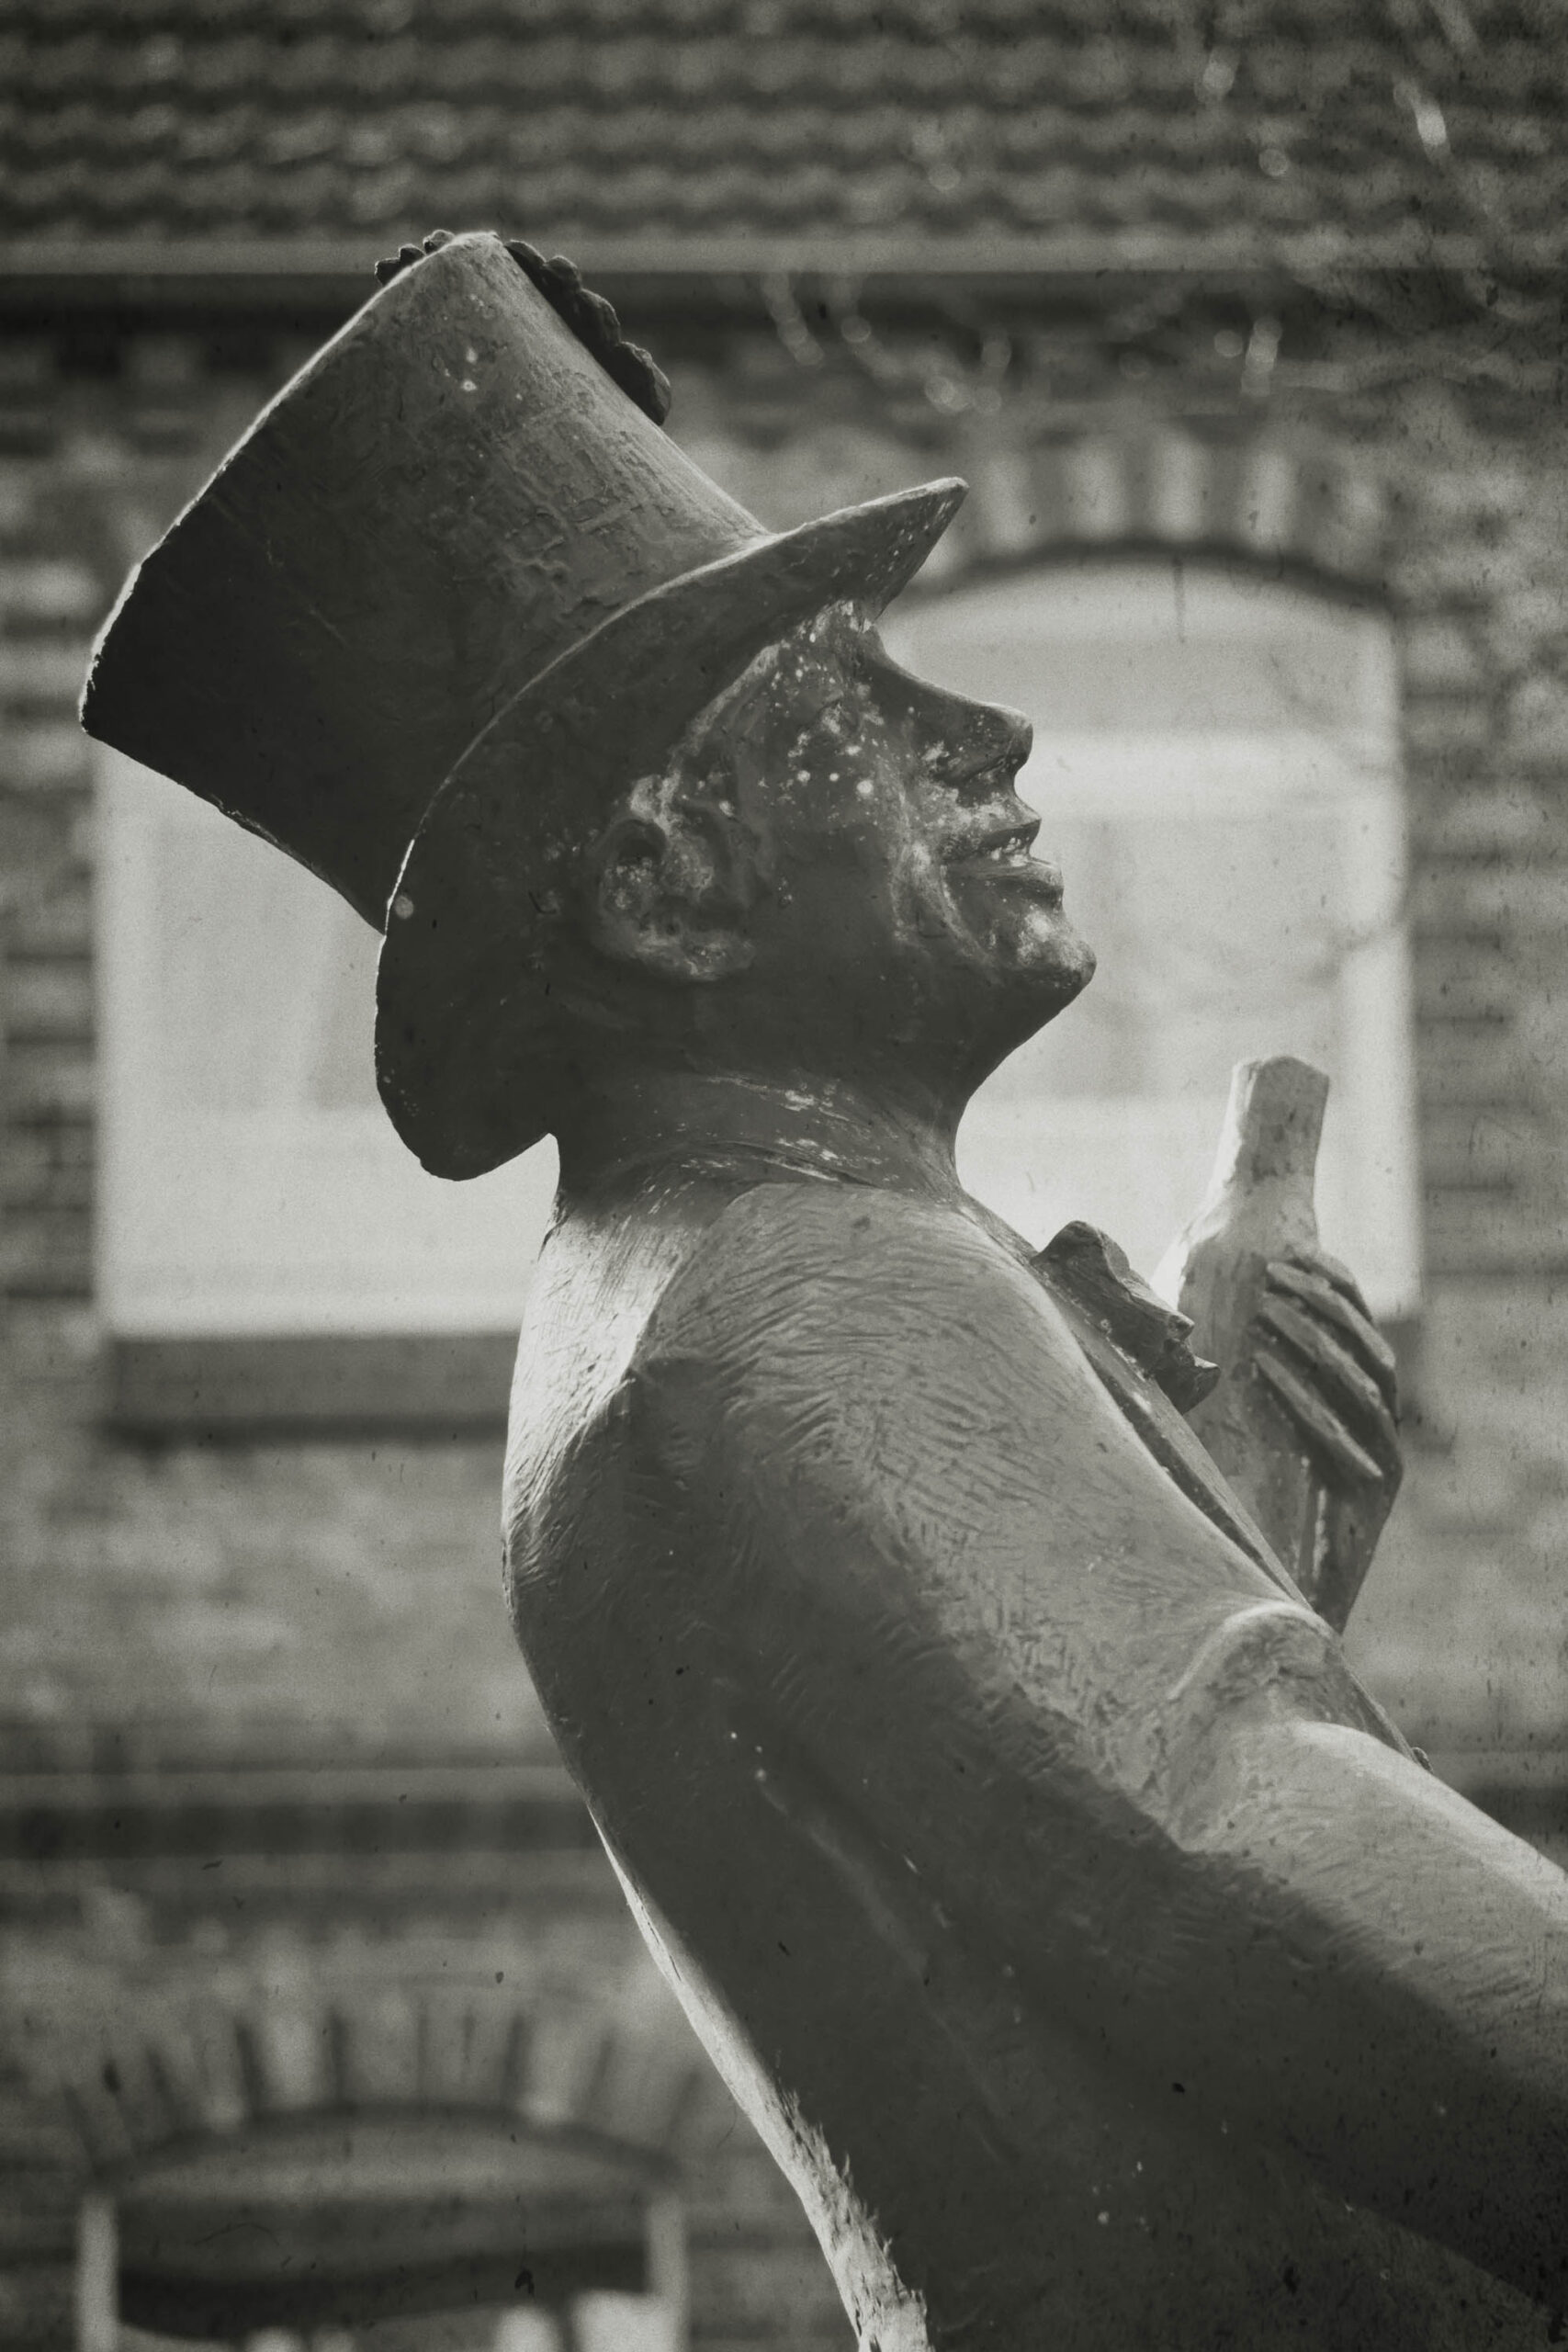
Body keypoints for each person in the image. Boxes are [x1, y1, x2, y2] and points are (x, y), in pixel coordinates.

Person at [85, 232, 1568, 2351]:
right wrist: (1243, 1692)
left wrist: (1226, 1502)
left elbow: (1027, 1814)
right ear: (659, 885)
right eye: (850, 708)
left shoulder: (697, 1282)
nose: (984, 729)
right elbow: (1212, 1832)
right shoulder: (793, 1284)